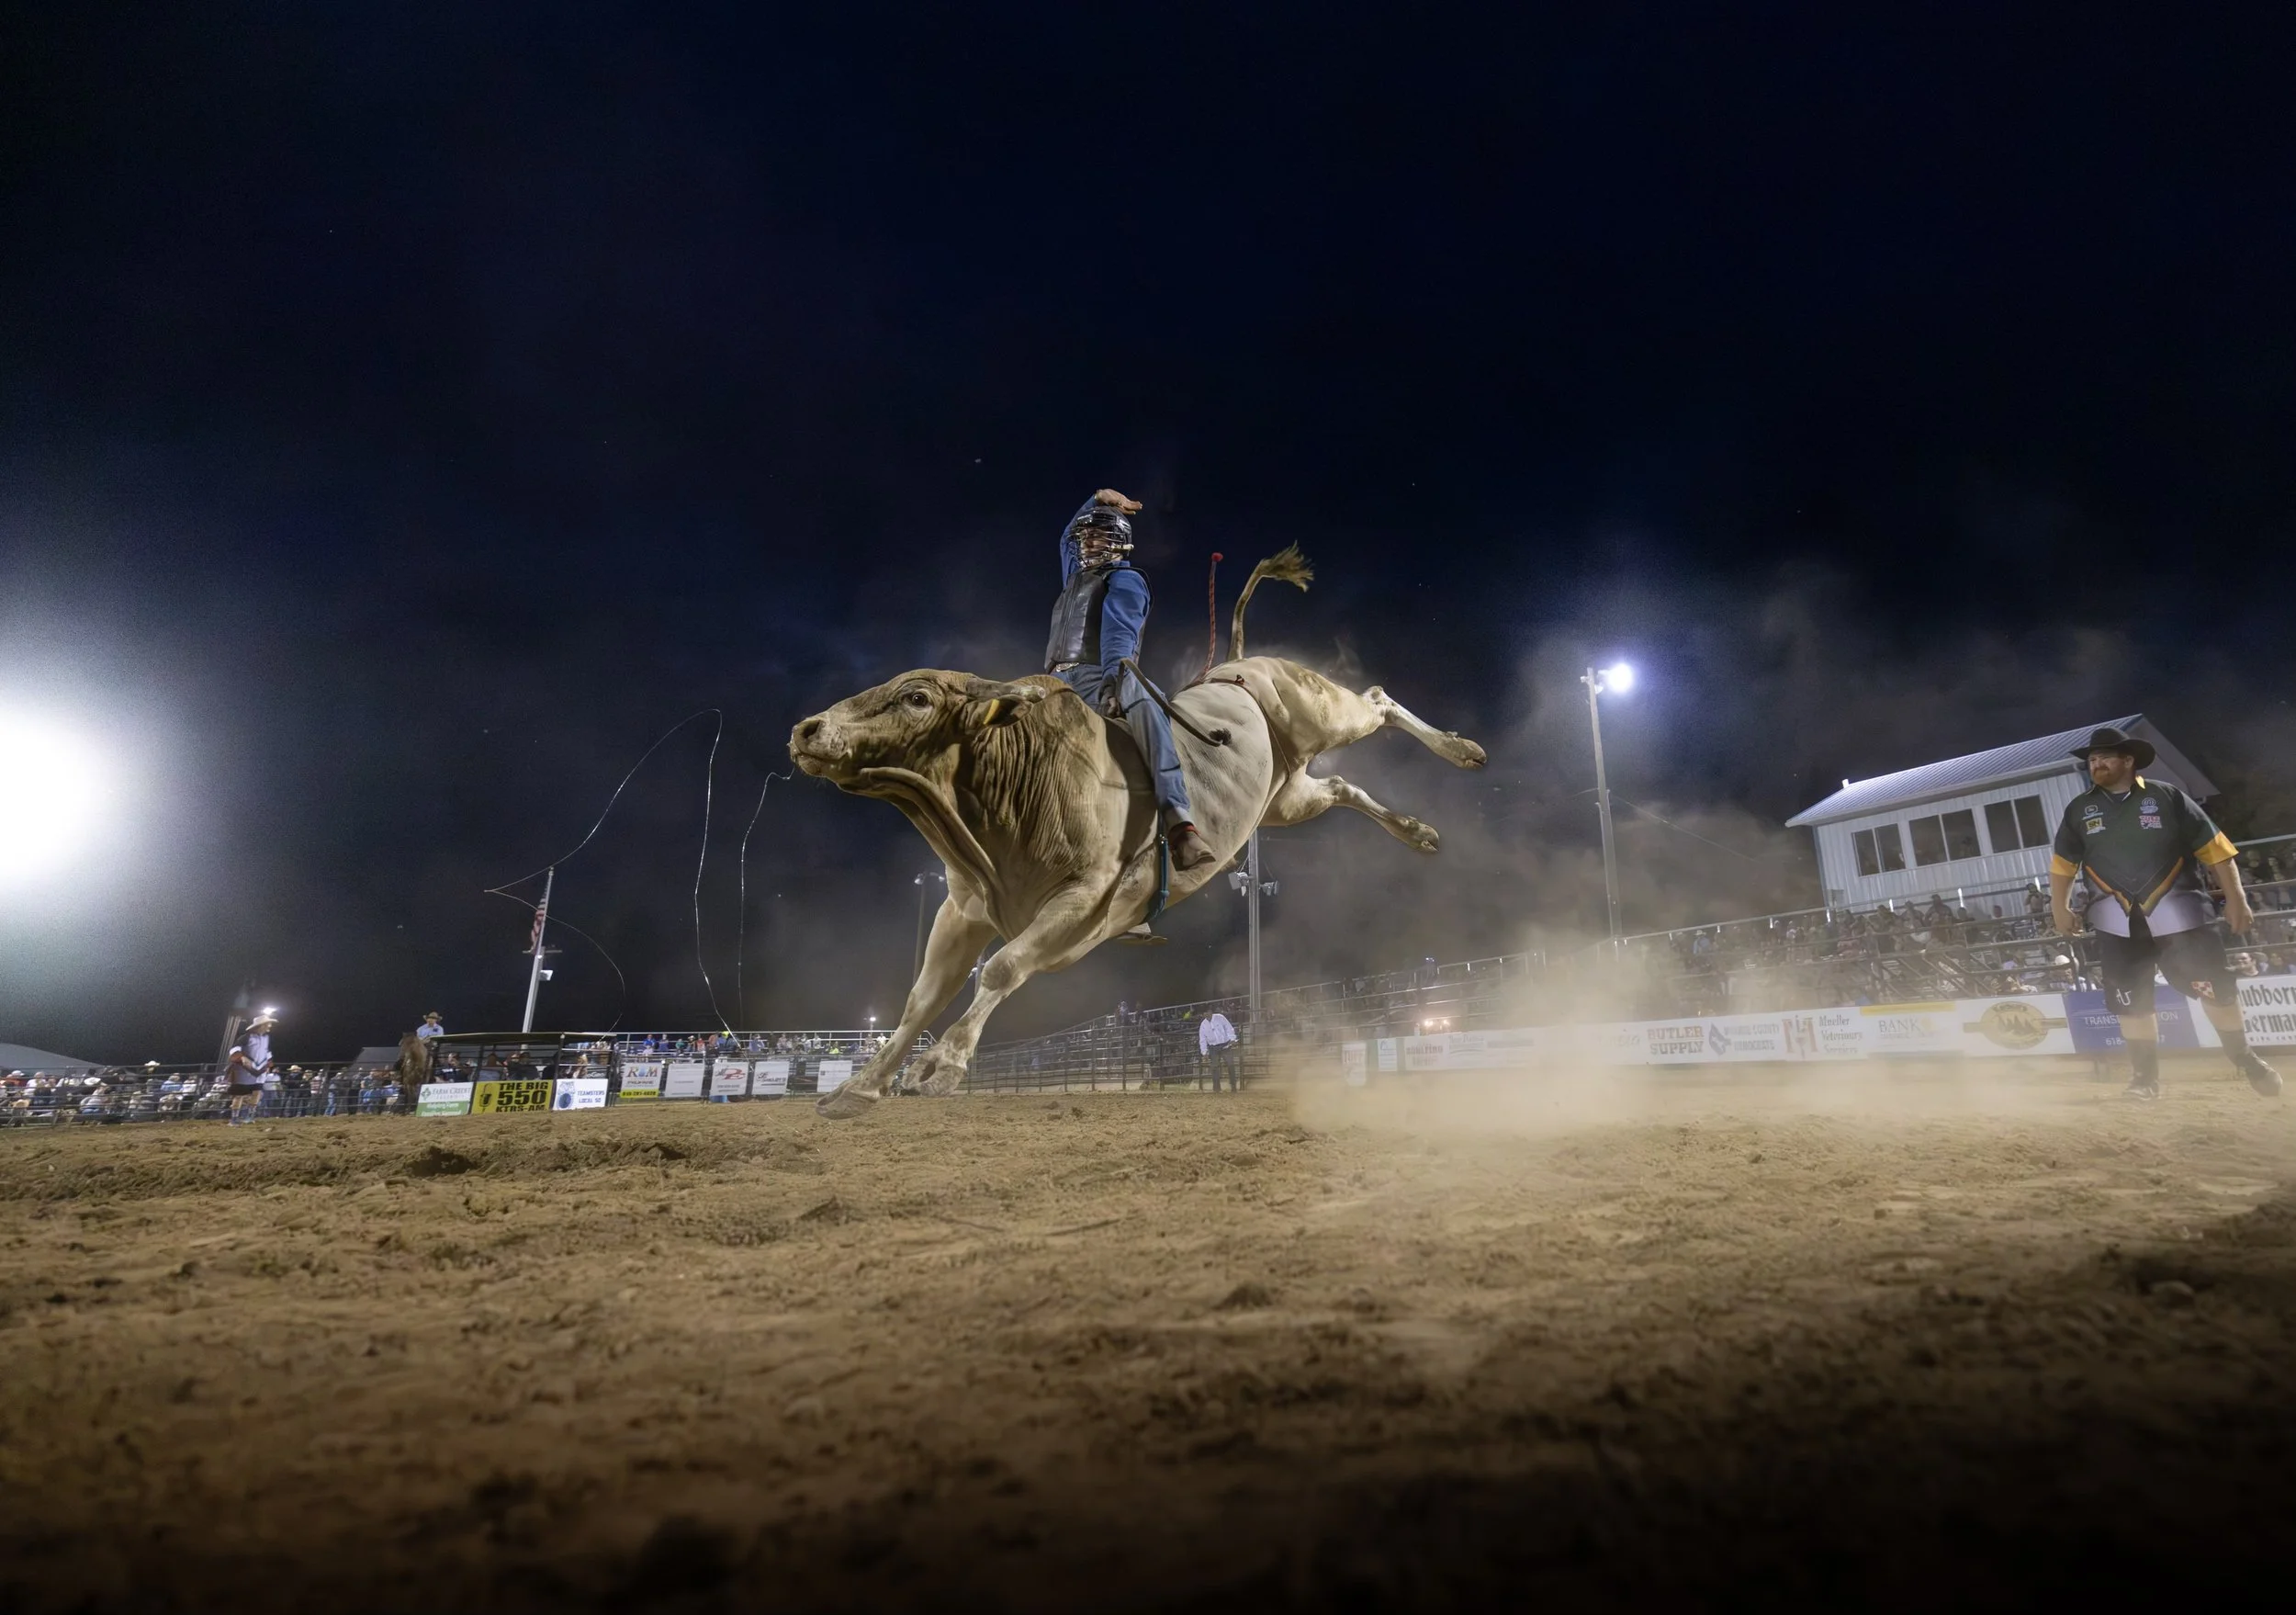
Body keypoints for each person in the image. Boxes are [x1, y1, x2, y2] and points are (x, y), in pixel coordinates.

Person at [2051, 728, 2279, 1101]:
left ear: (2128, 760)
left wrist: (2236, 897)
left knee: (2215, 989)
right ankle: (2144, 1080)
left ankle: (2245, 1057)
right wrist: (2057, 906)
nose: (2097, 763)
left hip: (2182, 917)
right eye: (2092, 759)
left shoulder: (2167, 797)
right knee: (2131, 1002)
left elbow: (2216, 849)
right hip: (2115, 921)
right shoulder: (2079, 810)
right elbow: (2062, 865)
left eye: (2106, 756)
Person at [1043, 489, 1216, 875]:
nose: (1087, 540)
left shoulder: (1126, 578)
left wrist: (1112, 684)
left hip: (1094, 676)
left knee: (1144, 697)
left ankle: (1179, 821)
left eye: (1098, 535)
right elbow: (1065, 537)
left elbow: (1118, 635)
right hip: (1050, 682)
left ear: (1119, 543)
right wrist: (1096, 499)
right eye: (1085, 536)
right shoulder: (1076, 578)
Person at [224, 1011, 277, 1124]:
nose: (270, 1026)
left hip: (260, 1070)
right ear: (261, 1025)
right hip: (245, 1070)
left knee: (256, 1092)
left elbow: (267, 1052)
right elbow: (234, 1049)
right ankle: (234, 1119)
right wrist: (241, 1057)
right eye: (268, 1024)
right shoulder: (246, 1037)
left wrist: (268, 1064)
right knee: (239, 1095)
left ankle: (250, 1116)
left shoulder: (266, 1038)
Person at [1199, 1009, 1241, 1092]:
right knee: (1215, 1067)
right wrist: (1204, 1052)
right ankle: (1217, 1088)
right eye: (1205, 1013)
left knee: (1230, 1064)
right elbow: (1202, 1039)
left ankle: (1233, 1086)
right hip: (1213, 1047)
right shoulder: (1203, 1025)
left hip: (1225, 1045)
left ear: (1211, 1012)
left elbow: (1229, 1028)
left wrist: (1232, 1039)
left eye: (1207, 1012)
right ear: (1203, 1014)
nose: (1206, 1014)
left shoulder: (1220, 1018)